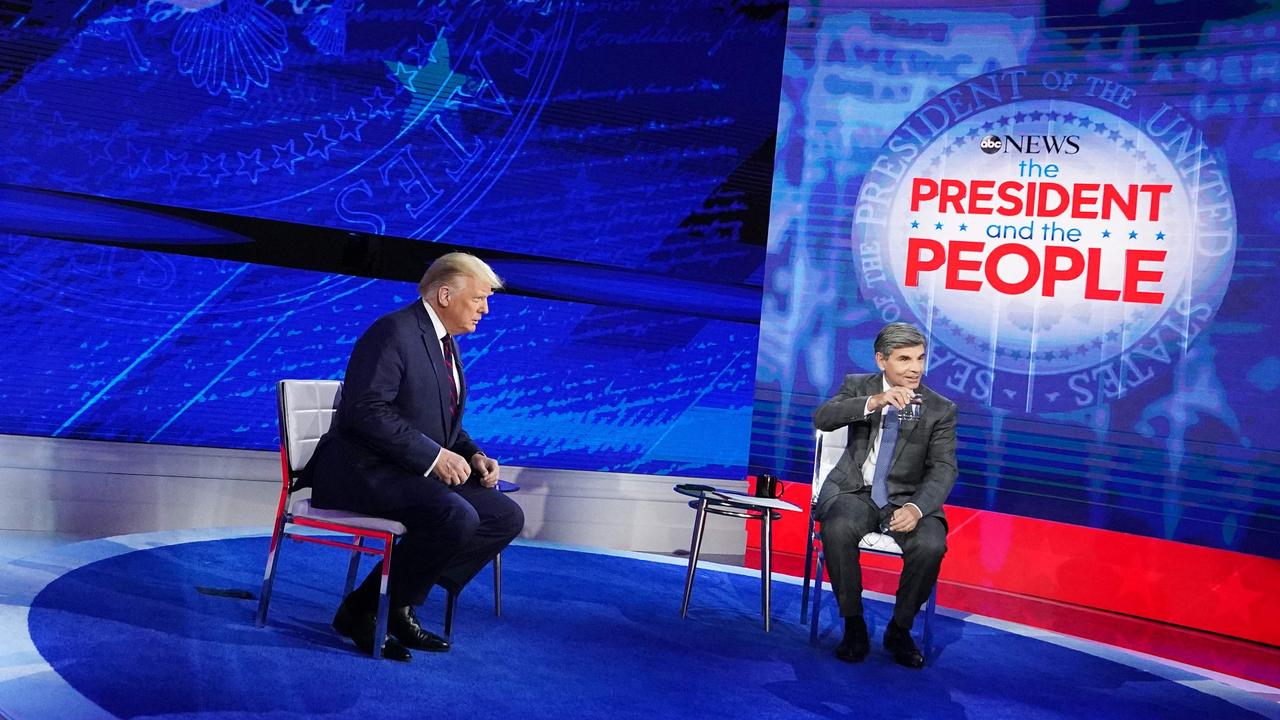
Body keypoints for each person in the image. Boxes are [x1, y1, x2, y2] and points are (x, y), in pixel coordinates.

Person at [309, 252, 525, 661]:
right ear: (445, 294)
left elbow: (442, 422)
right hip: (363, 470)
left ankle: (392, 600)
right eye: (479, 298)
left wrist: (472, 454)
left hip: (406, 469)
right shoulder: (393, 332)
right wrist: (434, 457)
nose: (486, 308)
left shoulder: (445, 343)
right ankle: (367, 609)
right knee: (454, 515)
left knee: (503, 516)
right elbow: (366, 410)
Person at [813, 322, 957, 668]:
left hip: (907, 499)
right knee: (837, 528)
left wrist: (918, 507)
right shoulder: (857, 386)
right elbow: (823, 418)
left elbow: (944, 468)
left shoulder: (939, 408)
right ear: (881, 360)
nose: (915, 368)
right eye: (905, 359)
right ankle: (854, 623)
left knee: (931, 545)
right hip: (856, 491)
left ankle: (900, 628)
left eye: (920, 358)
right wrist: (874, 402)